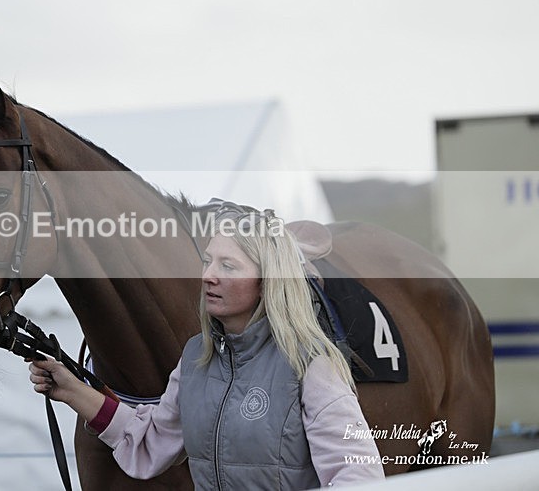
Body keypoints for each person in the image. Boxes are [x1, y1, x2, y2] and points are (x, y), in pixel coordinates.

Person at [28, 202, 385, 490]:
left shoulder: (310, 366)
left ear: (266, 281)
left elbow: (358, 478)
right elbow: (150, 441)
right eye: (207, 261)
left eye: (227, 265)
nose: (208, 275)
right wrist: (72, 390)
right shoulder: (195, 360)